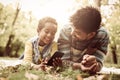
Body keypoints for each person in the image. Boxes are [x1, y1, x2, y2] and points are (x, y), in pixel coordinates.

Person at [58, 6, 109, 73]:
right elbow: (62, 62)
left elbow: (98, 64)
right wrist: (79, 66)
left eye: (77, 32)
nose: (72, 33)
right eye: (72, 27)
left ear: (91, 35)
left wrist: (94, 64)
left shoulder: (102, 36)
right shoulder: (65, 31)